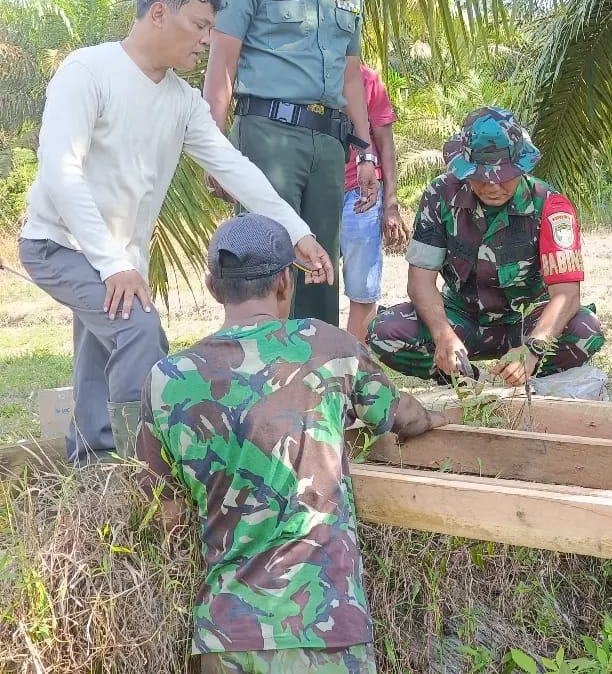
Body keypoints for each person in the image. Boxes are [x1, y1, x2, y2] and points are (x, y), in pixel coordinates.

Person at [18, 0, 332, 465]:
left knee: (102, 350)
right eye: (199, 25)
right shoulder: (88, 72)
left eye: (211, 28)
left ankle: (89, 472)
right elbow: (61, 171)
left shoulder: (182, 102)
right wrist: (113, 263)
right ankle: (134, 468)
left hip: (119, 259)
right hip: (60, 245)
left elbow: (235, 168)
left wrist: (295, 231)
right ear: (159, 13)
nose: (206, 39)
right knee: (138, 330)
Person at [135, 213, 449, 674]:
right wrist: (439, 416)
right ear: (286, 280)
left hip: (226, 639)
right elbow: (402, 417)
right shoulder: (329, 347)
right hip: (327, 630)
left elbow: (159, 510)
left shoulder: (168, 379)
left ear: (212, 287)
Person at [204, 0, 378, 328]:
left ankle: (319, 374)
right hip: (268, 134)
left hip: (328, 143)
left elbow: (351, 77)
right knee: (265, 258)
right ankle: (260, 371)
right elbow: (222, 63)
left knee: (323, 264)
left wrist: (365, 152)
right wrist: (215, 152)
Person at [368, 106, 605, 386]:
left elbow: (566, 294)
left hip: (528, 323)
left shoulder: (550, 206)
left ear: (522, 166)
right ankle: (465, 380)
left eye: (504, 175)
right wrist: (443, 335)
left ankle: (529, 378)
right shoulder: (439, 196)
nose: (493, 186)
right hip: (462, 321)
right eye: (481, 176)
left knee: (585, 330)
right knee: (385, 331)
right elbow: (420, 282)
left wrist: (533, 350)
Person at [340, 63, 408, 342]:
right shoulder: (302, 72)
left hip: (361, 193)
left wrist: (390, 204)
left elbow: (385, 141)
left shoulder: (367, 79)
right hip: (312, 190)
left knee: (362, 288)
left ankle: (353, 366)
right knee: (310, 281)